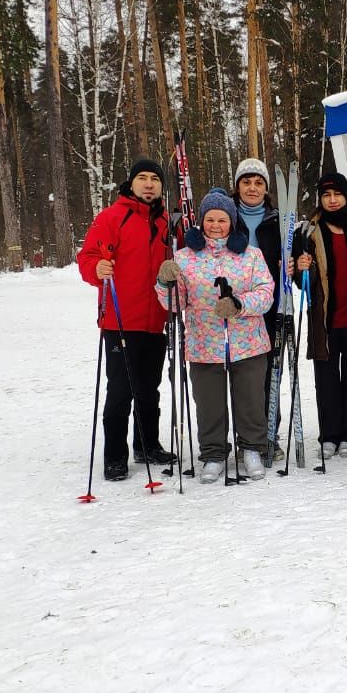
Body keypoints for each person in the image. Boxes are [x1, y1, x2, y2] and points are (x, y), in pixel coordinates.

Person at [156, 188, 274, 484]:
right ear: (201, 222)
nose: (216, 225)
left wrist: (238, 304)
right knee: (209, 403)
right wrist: (164, 282)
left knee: (249, 401)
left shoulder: (251, 255)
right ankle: (213, 453)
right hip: (203, 343)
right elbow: (175, 304)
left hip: (248, 343)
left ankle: (252, 449)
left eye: (222, 219)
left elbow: (266, 294)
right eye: (210, 219)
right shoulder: (185, 258)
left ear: (232, 222)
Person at [76, 157, 177, 481]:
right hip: (120, 320)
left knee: (150, 390)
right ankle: (115, 455)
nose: (149, 184)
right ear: (131, 183)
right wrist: (96, 269)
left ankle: (147, 445)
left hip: (155, 320)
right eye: (143, 178)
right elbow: (87, 257)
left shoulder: (167, 223)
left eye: (155, 179)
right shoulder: (111, 218)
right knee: (121, 390)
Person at [294, 172, 347, 460]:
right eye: (326, 195)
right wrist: (302, 268)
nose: (332, 200)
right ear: (320, 199)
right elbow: (303, 283)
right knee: (326, 383)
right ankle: (329, 434)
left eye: (337, 194)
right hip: (324, 321)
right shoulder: (309, 231)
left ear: (346, 196)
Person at [231, 157, 287, 461]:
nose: (252, 188)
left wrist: (293, 265)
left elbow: (295, 257)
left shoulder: (277, 220)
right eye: (246, 182)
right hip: (231, 308)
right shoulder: (225, 216)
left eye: (258, 183)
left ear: (266, 189)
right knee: (239, 375)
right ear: (237, 186)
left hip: (268, 306)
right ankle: (243, 437)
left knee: (267, 373)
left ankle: (267, 435)